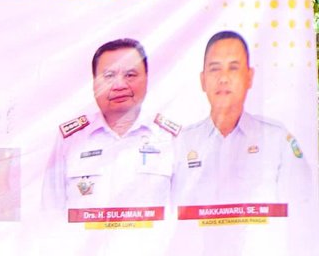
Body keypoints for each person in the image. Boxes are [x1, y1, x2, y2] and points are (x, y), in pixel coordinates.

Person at [172, 31, 310, 211]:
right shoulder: (181, 144)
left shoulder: (277, 140)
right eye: (215, 69)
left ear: (249, 77)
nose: (223, 78)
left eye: (233, 68)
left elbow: (301, 207)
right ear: (203, 80)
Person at [44, 38, 175, 213]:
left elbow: (184, 214)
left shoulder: (170, 137)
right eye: (109, 76)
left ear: (147, 79)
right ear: (94, 84)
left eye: (130, 75)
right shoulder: (71, 139)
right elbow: (50, 212)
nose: (119, 85)